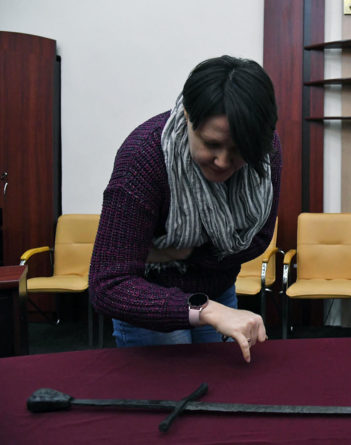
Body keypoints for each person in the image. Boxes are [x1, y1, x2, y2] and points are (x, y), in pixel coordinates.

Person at [90, 55, 281, 362]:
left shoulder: (263, 148)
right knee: (171, 387)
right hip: (149, 297)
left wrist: (180, 253)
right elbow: (109, 285)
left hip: (219, 289)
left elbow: (259, 238)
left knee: (220, 382)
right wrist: (202, 307)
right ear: (188, 115)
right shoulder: (143, 157)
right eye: (211, 144)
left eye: (239, 151)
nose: (223, 161)